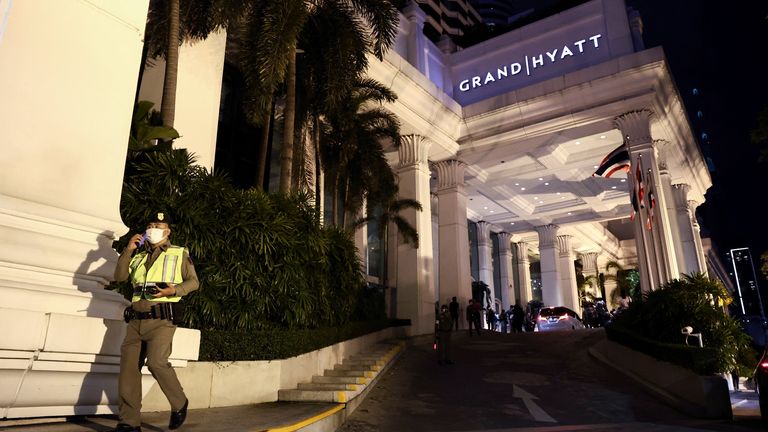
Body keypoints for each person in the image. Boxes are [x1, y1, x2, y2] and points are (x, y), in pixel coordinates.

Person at [109, 212, 199, 432]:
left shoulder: (179, 253)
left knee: (157, 362)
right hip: (135, 322)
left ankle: (179, 403)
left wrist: (174, 290)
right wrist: (128, 250)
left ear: (167, 231)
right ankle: (129, 423)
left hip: (162, 319)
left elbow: (194, 282)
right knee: (128, 370)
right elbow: (120, 277)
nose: (153, 229)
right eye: (150, 225)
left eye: (158, 225)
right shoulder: (137, 257)